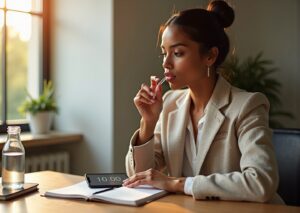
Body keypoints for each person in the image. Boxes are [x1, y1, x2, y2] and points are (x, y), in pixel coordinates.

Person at [123, 0, 283, 204]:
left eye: (178, 53)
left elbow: (261, 182)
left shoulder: (248, 105)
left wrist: (179, 184)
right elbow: (141, 177)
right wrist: (148, 122)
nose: (165, 63)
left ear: (210, 56)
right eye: (164, 53)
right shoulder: (170, 103)